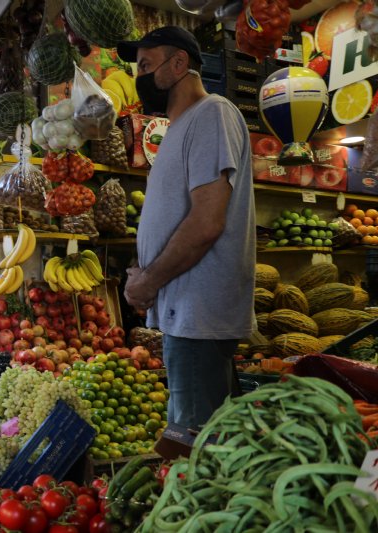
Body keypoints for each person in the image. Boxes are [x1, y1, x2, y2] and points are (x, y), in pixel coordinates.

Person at [118, 27, 255, 430]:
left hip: (199, 316)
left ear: (178, 64)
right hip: (185, 314)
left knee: (194, 449)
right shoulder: (179, 126)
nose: (139, 76)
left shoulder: (212, 113)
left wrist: (148, 281)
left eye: (145, 65)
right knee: (207, 437)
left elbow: (206, 221)